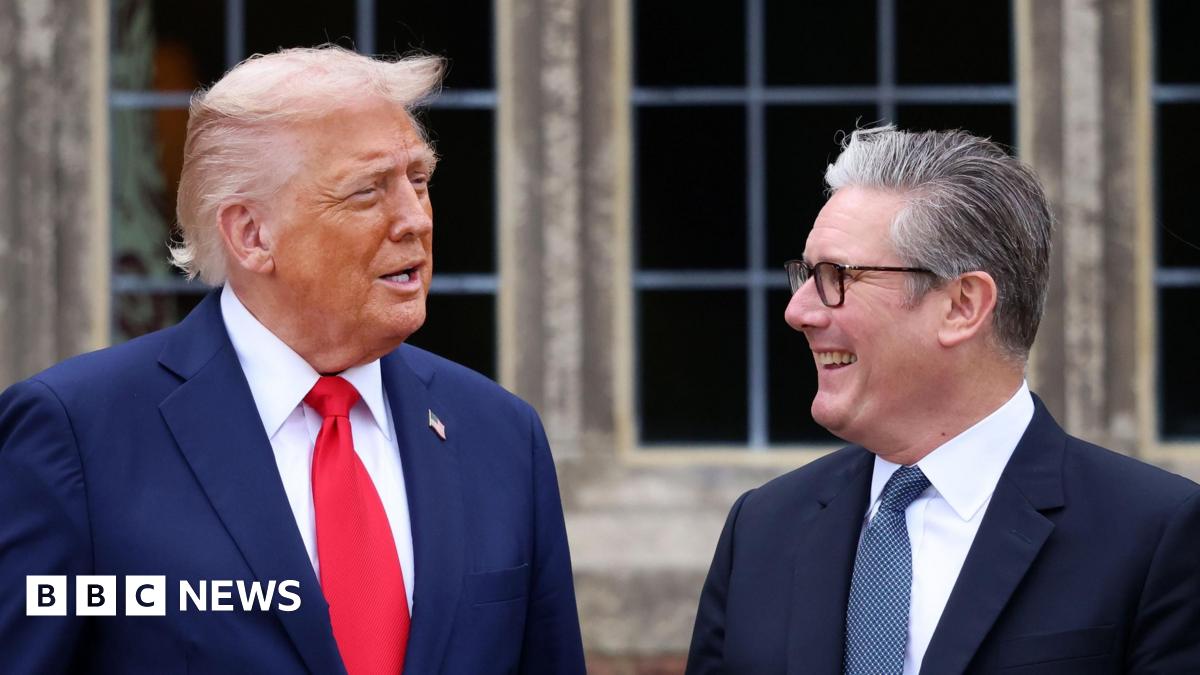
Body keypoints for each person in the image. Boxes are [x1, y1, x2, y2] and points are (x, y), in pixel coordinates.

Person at [0, 46, 586, 674]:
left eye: (418, 181)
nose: (415, 219)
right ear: (251, 235)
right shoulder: (76, 434)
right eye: (367, 192)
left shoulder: (501, 435)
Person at [686, 126, 1200, 674]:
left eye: (837, 277)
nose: (800, 311)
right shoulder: (763, 528)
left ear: (961, 305)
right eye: (806, 276)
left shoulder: (1156, 534)